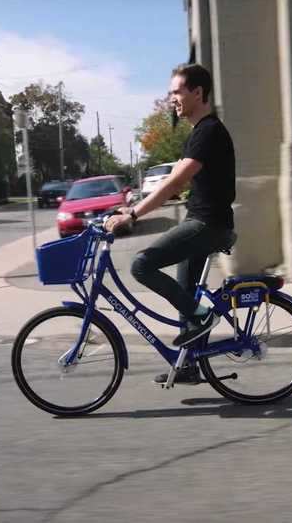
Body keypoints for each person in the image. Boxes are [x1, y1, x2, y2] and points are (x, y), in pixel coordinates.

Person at [104, 63, 236, 384]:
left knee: (142, 266)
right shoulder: (199, 133)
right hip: (203, 221)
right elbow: (181, 183)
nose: (172, 99)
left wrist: (132, 215)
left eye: (177, 92)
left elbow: (173, 184)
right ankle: (189, 365)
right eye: (171, 93)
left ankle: (203, 319)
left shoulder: (208, 131)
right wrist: (126, 207)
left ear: (198, 93)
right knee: (185, 292)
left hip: (208, 224)